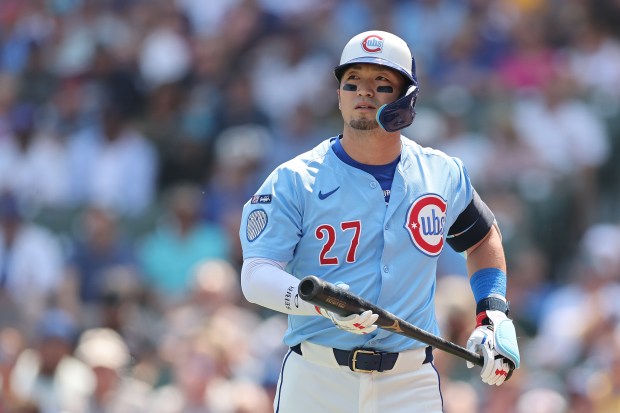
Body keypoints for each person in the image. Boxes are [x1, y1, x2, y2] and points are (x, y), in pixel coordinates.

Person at [239, 30, 520, 413]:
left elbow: (482, 238)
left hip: (409, 381)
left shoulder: (441, 173)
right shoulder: (294, 179)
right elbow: (255, 275)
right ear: (338, 95)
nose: (364, 92)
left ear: (408, 99)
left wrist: (493, 312)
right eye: (352, 82)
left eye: (382, 83)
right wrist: (323, 306)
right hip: (317, 377)